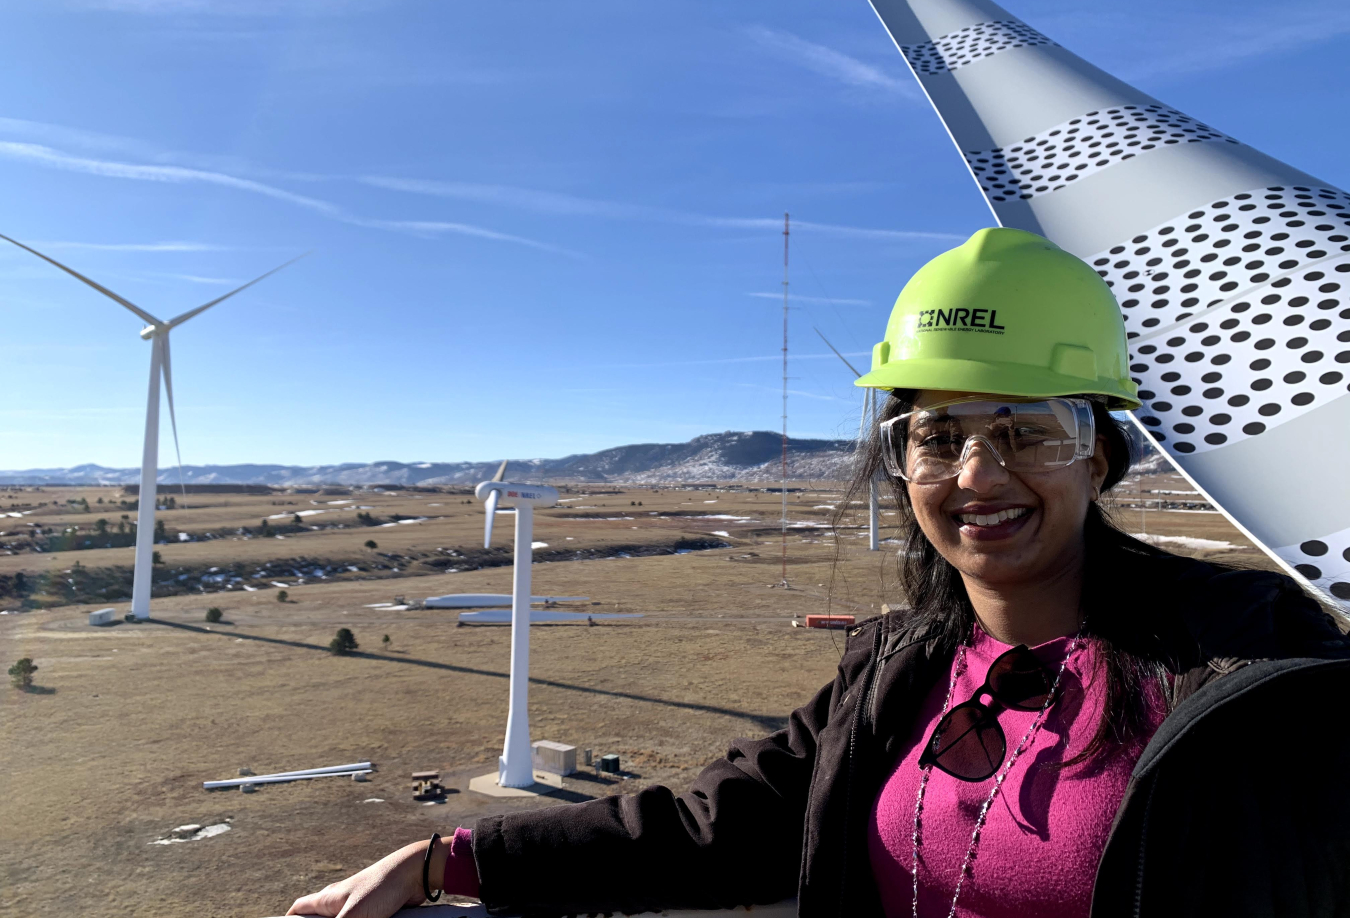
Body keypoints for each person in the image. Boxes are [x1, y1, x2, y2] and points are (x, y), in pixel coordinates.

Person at [287, 228, 1350, 918]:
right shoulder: (896, 669)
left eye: (1026, 429)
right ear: (900, 460)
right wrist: (447, 857)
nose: (978, 472)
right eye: (936, 435)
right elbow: (713, 823)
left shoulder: (1252, 666)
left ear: (1100, 453)